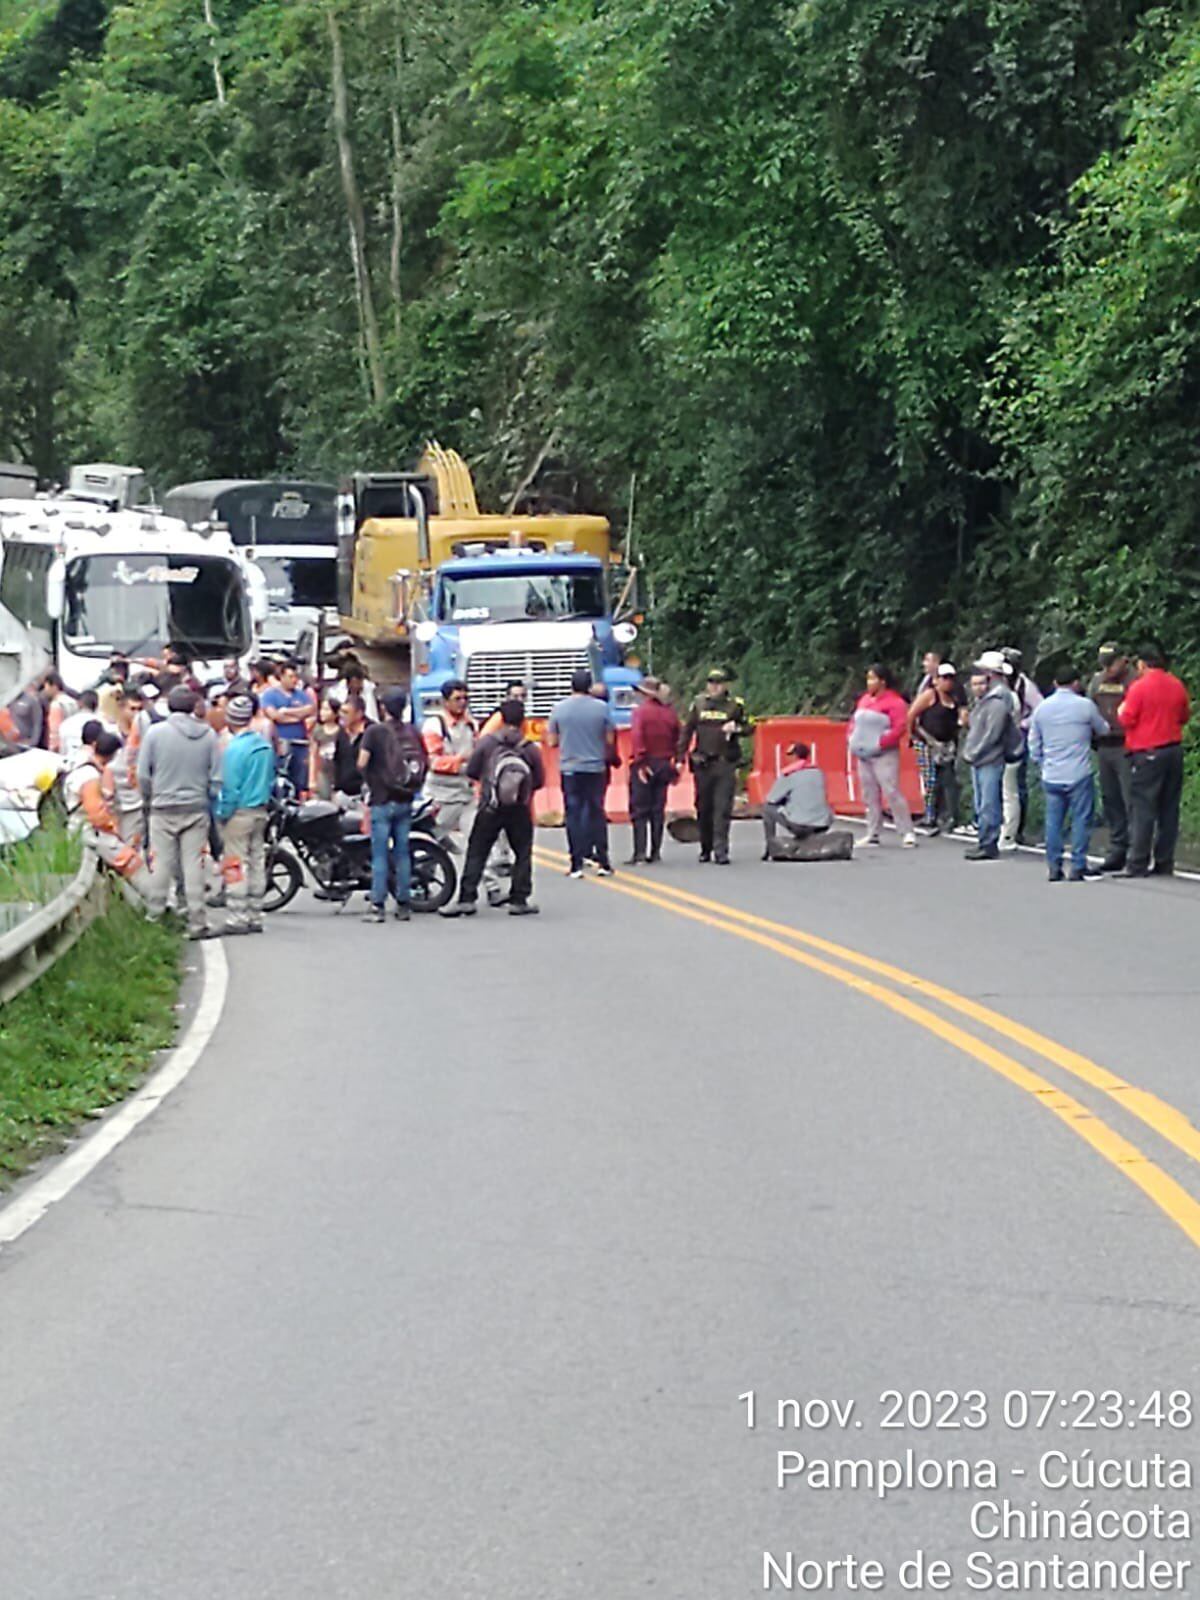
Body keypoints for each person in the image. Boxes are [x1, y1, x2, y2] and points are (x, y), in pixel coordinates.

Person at [441, 699, 544, 917]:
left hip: (490, 805)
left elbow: (472, 771)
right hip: (519, 808)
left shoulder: (488, 743)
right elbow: (539, 780)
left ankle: (467, 899)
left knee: (477, 851)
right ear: (523, 721)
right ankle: (519, 900)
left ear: (501, 719)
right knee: (522, 853)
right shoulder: (529, 748)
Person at [139, 686, 223, 939]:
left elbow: (143, 774)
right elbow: (217, 777)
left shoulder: (155, 733)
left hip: (162, 807)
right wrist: (205, 795)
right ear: (193, 706)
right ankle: (197, 921)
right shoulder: (209, 735)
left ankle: (154, 916)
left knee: (162, 864)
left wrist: (151, 796)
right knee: (193, 864)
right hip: (196, 807)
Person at [1028, 668, 1109, 881]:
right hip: (1078, 772)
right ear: (1076, 683)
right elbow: (1103, 729)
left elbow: (1033, 742)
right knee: (1081, 820)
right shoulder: (1085, 706)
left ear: (1055, 683)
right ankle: (1078, 865)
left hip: (1052, 773)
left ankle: (1054, 866)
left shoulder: (1042, 708)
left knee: (1053, 822)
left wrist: (1041, 762)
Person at [1118, 644, 1191, 878]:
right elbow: (1184, 716)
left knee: (1143, 807)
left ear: (1142, 664)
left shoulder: (1139, 687)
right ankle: (1164, 861)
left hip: (1147, 751)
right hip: (1173, 750)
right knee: (1169, 808)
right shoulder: (1176, 684)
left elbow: (1127, 719)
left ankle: (1138, 862)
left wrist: (1120, 711)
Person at [358, 687, 428, 923]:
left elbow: (362, 762)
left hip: (381, 799)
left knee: (379, 854)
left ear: (383, 707)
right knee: (402, 853)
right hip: (405, 799)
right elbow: (425, 760)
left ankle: (377, 905)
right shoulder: (412, 731)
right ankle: (404, 904)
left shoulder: (374, 732)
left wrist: (371, 778)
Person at [64, 730, 153, 900]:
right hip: (91, 833)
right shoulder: (89, 776)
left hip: (80, 831)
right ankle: (160, 902)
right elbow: (97, 814)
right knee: (131, 861)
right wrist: (114, 830)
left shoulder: (79, 769)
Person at [214, 695, 275, 935]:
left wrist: (222, 813)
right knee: (257, 860)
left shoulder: (233, 750)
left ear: (230, 720)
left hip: (239, 812)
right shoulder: (265, 746)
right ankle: (256, 913)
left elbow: (230, 788)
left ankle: (237, 916)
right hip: (261, 810)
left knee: (236, 863)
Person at [547, 668, 615, 877]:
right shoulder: (602, 708)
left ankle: (576, 864)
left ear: (571, 686)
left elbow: (552, 741)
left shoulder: (559, 709)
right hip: (595, 768)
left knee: (573, 815)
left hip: (570, 768)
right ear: (589, 687)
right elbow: (610, 739)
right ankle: (603, 861)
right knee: (596, 812)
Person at [677, 667, 748, 864]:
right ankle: (705, 847)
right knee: (703, 807)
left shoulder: (735, 705)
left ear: (726, 685)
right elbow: (687, 731)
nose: (714, 687)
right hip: (703, 763)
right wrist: (680, 757)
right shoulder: (699, 704)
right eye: (711, 683)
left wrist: (737, 728)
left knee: (722, 808)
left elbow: (750, 726)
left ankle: (721, 850)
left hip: (725, 762)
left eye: (718, 683)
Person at [848, 664, 916, 848]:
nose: (869, 683)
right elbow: (855, 722)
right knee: (869, 794)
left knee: (891, 790)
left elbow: (899, 727)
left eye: (873, 679)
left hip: (884, 753)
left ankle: (906, 831)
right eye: (868, 679)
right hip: (863, 752)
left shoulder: (895, 702)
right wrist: (852, 738)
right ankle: (873, 832)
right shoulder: (864, 700)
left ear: (882, 681)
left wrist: (880, 743)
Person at [962, 651, 1019, 861]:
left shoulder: (998, 700)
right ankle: (984, 840)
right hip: (980, 758)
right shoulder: (985, 699)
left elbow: (992, 733)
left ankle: (989, 842)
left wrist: (974, 751)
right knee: (982, 802)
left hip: (990, 758)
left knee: (989, 802)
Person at [421, 679, 480, 855]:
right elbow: (433, 761)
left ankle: (483, 873)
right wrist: (460, 760)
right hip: (442, 795)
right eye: (457, 699)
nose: (462, 703)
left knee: (477, 839)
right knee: (433, 842)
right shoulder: (434, 725)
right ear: (445, 701)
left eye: (465, 698)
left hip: (466, 793)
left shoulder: (471, 724)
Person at [1088, 644, 1133, 871]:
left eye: (1111, 663)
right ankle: (1117, 848)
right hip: (1104, 745)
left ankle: (1135, 850)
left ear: (1123, 660)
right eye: (1104, 664)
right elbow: (1090, 708)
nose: (1108, 669)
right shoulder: (1097, 681)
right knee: (1111, 799)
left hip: (1126, 745)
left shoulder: (1134, 681)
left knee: (1130, 799)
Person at [627, 676, 680, 864]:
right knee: (658, 809)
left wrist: (641, 762)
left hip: (646, 763)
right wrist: (675, 760)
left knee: (640, 810)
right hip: (664, 763)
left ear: (643, 694)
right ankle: (655, 851)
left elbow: (637, 737)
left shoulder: (640, 713)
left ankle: (640, 852)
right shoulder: (670, 713)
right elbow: (678, 738)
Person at [907, 664, 963, 834]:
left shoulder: (955, 697)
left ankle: (946, 815)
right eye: (944, 678)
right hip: (927, 741)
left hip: (946, 744)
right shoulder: (930, 696)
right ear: (936, 680)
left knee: (947, 780)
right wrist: (913, 734)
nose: (948, 682)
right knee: (930, 779)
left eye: (950, 678)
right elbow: (911, 714)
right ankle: (930, 815)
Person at [999, 647, 1043, 850]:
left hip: (1018, 738)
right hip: (999, 737)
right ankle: (1001, 825)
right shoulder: (998, 684)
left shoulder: (1025, 686)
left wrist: (1023, 724)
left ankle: (1018, 829)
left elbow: (1040, 709)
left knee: (1018, 784)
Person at [761, 741, 833, 858]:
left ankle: (770, 846)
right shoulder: (818, 772)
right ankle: (810, 837)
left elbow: (772, 799)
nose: (786, 758)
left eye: (788, 755)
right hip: (823, 824)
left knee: (767, 808)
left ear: (794, 756)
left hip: (800, 825)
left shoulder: (789, 774)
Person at [261, 660, 316, 795]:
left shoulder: (301, 694)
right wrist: (297, 717)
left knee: (299, 781)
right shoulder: (270, 694)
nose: (294, 680)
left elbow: (310, 710)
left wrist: (286, 711)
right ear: (282, 677)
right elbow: (274, 715)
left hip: (300, 744)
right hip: (280, 744)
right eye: (290, 676)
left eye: (295, 676)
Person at [57, 690, 110, 768]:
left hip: (68, 766)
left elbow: (61, 750)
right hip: (95, 768)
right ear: (97, 705)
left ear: (79, 703)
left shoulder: (66, 724)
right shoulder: (105, 725)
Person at [333, 693, 371, 797]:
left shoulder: (372, 732)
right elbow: (338, 760)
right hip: (343, 791)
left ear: (359, 714)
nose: (341, 715)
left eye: (346, 712)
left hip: (365, 792)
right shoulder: (341, 733)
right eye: (341, 711)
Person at [311, 696, 342, 799]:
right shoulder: (318, 731)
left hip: (338, 772)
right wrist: (312, 779)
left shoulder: (341, 732)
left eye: (327, 709)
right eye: (322, 709)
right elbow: (313, 755)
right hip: (322, 772)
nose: (322, 712)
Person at [40, 671, 77, 754]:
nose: (45, 690)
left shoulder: (56, 705)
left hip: (61, 749)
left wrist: (52, 749)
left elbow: (54, 732)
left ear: (54, 687)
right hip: (73, 745)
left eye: (46, 687)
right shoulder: (73, 702)